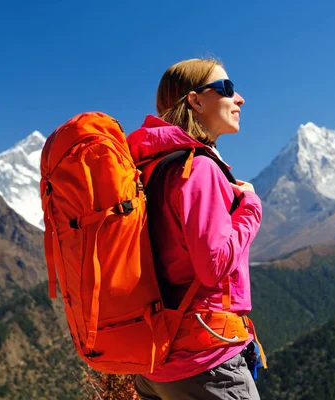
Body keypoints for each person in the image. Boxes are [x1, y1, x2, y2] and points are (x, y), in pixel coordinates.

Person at [127, 58, 262, 400]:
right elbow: (213, 264)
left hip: (155, 362)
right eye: (226, 89)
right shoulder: (198, 167)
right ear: (196, 101)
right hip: (206, 361)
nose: (239, 98)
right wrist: (251, 209)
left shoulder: (148, 167)